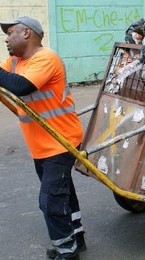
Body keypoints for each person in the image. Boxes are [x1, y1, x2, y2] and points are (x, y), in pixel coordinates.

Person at [0, 16, 86, 259]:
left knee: (50, 200)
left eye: (11, 32)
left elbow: (21, 87)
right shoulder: (15, 62)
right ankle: (76, 237)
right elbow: (4, 78)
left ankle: (67, 251)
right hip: (42, 145)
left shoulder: (46, 58)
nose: (7, 38)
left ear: (27, 33)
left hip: (61, 141)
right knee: (63, 192)